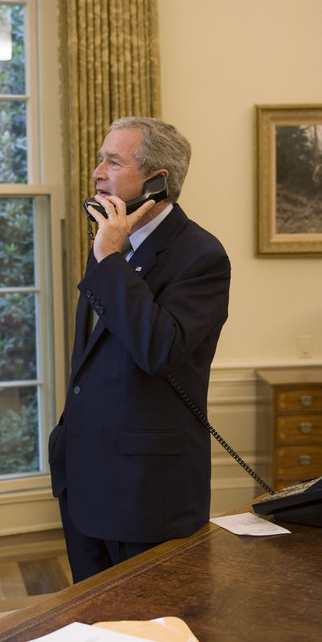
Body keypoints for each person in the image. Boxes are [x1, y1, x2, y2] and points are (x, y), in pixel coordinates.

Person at [49, 117, 231, 582]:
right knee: (92, 636)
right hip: (84, 482)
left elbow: (158, 349)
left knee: (155, 640)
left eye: (112, 161)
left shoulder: (202, 256)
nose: (97, 172)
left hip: (147, 493)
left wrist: (108, 259)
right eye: (101, 159)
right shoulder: (115, 244)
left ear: (156, 181)